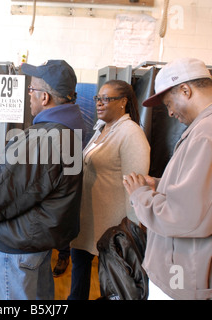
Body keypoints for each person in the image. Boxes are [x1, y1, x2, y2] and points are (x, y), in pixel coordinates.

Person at [123, 57, 212, 300]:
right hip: (196, 278)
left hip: (189, 283)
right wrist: (160, 184)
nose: (170, 112)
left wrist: (141, 196)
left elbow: (186, 218)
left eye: (169, 103)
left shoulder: (211, 133)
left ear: (185, 89)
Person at [0, 60, 86, 300]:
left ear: (45, 98)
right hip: (37, 242)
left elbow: (1, 192)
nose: (28, 96)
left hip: (19, 248)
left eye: (31, 90)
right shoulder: (69, 132)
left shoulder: (45, 139)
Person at [68, 80, 150, 300]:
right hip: (87, 221)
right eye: (98, 98)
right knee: (79, 276)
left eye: (106, 99)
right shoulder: (102, 128)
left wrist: (130, 236)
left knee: (112, 283)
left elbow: (135, 188)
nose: (99, 104)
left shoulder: (131, 134)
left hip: (112, 229)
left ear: (123, 102)